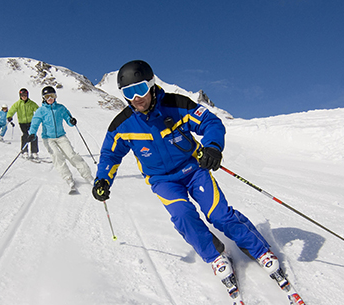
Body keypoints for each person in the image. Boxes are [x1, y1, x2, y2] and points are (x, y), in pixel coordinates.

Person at [91, 60, 289, 300]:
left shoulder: (177, 105)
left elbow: (210, 122)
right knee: (183, 216)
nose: (136, 98)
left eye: (140, 89)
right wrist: (102, 180)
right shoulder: (122, 125)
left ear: (152, 85)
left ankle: (260, 250)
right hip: (163, 181)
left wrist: (213, 148)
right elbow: (110, 154)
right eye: (128, 93)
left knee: (218, 214)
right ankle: (216, 256)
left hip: (194, 170)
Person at [28, 86, 93, 189]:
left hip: (61, 137)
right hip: (48, 138)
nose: (50, 99)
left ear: (55, 96)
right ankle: (68, 178)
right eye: (47, 96)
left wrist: (71, 121)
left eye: (52, 96)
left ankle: (88, 176)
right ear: (43, 98)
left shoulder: (60, 108)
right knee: (57, 156)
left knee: (71, 155)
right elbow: (35, 123)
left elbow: (68, 118)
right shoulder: (41, 111)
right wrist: (32, 133)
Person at [7, 88, 39, 158]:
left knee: (33, 135)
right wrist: (9, 116)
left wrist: (40, 116)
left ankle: (34, 152)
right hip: (22, 123)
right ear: (20, 96)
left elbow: (37, 110)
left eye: (25, 95)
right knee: (25, 135)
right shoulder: (18, 104)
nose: (24, 97)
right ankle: (24, 151)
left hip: (31, 122)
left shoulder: (31, 103)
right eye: (22, 95)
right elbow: (12, 110)